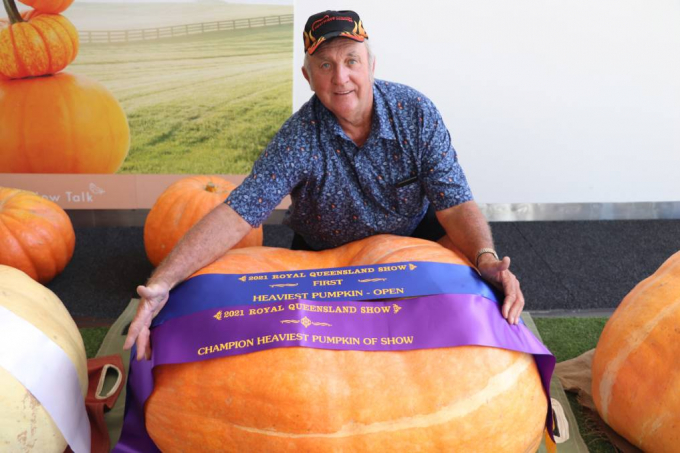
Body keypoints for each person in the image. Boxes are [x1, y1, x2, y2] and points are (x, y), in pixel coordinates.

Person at [124, 10, 525, 360]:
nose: (341, 77)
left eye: (352, 60)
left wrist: (486, 257)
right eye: (325, 65)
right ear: (308, 75)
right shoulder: (298, 137)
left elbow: (453, 202)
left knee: (457, 325)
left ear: (371, 64)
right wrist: (161, 284)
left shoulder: (415, 112)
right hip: (327, 258)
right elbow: (239, 211)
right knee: (323, 354)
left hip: (414, 241)